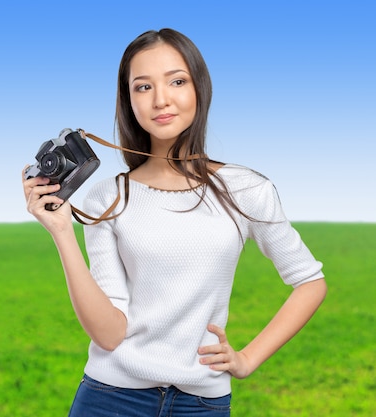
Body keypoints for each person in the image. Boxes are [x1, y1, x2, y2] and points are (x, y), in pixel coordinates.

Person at [22, 28, 327, 417]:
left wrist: (247, 359)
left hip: (202, 402)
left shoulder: (246, 189)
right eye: (143, 87)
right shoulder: (107, 197)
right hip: (110, 397)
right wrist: (62, 231)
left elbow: (309, 282)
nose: (160, 99)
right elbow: (110, 333)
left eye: (177, 81)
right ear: (128, 100)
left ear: (200, 88)